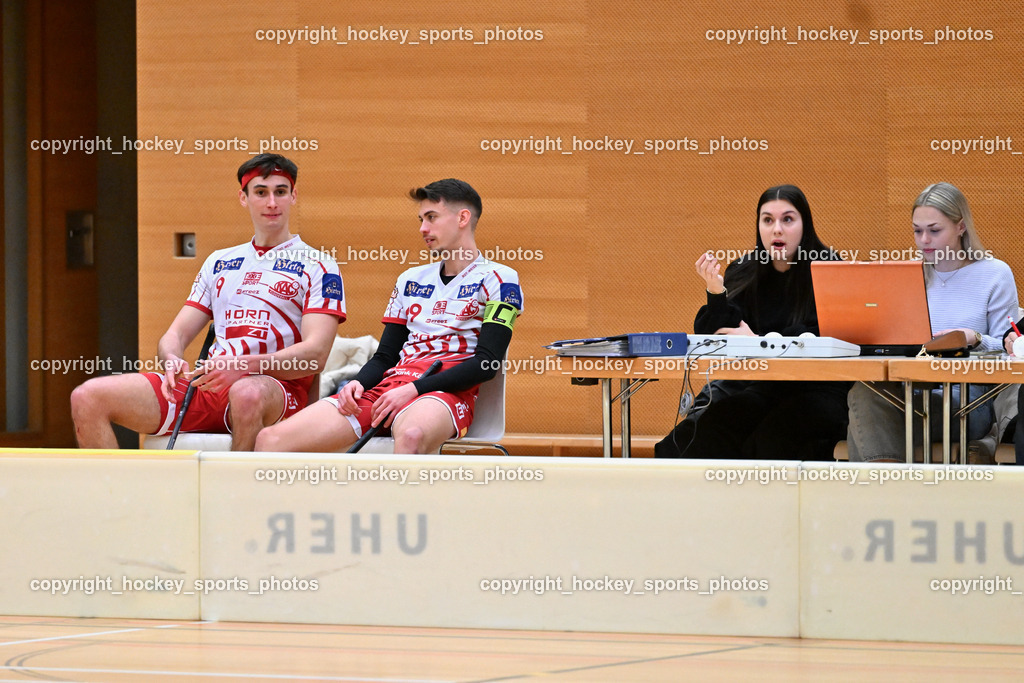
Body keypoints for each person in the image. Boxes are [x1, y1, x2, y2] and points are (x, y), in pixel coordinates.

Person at [71, 154, 345, 451]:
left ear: (293, 196)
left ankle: (236, 496)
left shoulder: (318, 265)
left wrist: (243, 366)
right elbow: (174, 335)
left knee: (246, 393)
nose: (271, 203)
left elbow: (315, 355)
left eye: (280, 192)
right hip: (210, 386)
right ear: (243, 197)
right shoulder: (219, 261)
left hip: (275, 390)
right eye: (261, 192)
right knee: (87, 396)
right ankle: (115, 497)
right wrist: (171, 357)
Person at [255, 178, 523, 454]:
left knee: (411, 435)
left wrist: (415, 389)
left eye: (431, 218)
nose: (423, 228)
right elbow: (385, 356)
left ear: (463, 218)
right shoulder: (409, 280)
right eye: (420, 219)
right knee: (270, 440)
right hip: (388, 389)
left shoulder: (500, 279)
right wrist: (358, 382)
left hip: (443, 395)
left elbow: (486, 364)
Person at [654, 184, 848, 460]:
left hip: (818, 389)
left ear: (805, 224)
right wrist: (716, 291)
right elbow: (715, 331)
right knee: (698, 434)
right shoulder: (745, 269)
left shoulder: (829, 268)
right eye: (767, 220)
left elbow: (820, 337)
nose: (776, 229)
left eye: (787, 219)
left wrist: (759, 342)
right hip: (762, 385)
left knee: (770, 440)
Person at [847, 182, 1018, 462]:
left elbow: (1011, 349)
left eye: (934, 230)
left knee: (864, 411)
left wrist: (973, 337)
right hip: (908, 388)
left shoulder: (994, 274)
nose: (924, 239)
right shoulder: (904, 276)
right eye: (917, 230)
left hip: (968, 399)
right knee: (864, 393)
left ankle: (880, 494)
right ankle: (887, 487)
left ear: (961, 227)